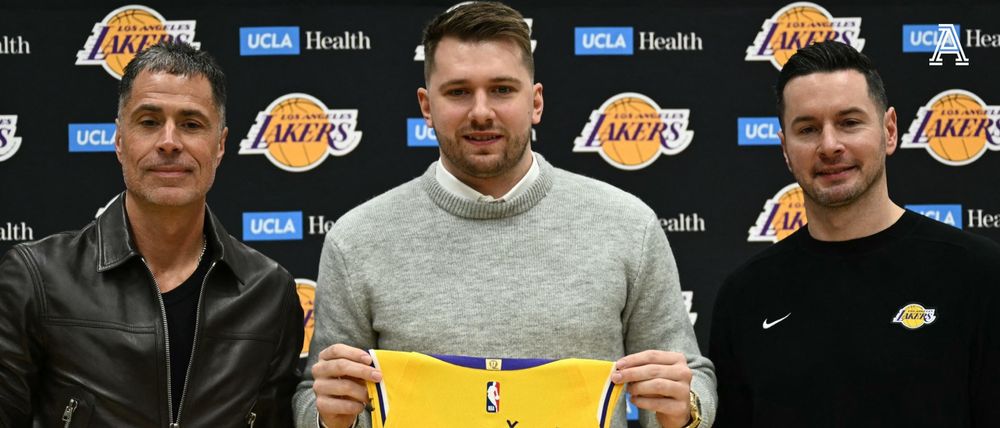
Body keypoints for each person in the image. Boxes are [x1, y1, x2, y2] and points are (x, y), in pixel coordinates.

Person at [292, 2, 715, 428]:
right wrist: (330, 417)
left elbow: (691, 376)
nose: (481, 112)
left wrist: (685, 410)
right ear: (426, 106)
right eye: (458, 92)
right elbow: (317, 396)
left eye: (502, 89)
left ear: (536, 102)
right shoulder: (357, 240)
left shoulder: (628, 226)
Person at [0, 41, 303, 427]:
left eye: (191, 124)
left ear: (220, 146)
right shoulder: (39, 278)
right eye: (148, 122)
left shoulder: (268, 292)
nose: (169, 142)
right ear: (119, 140)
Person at [709, 40, 1000, 427]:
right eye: (808, 129)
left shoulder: (978, 274)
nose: (829, 145)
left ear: (889, 130)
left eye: (849, 122)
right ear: (784, 149)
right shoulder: (744, 296)